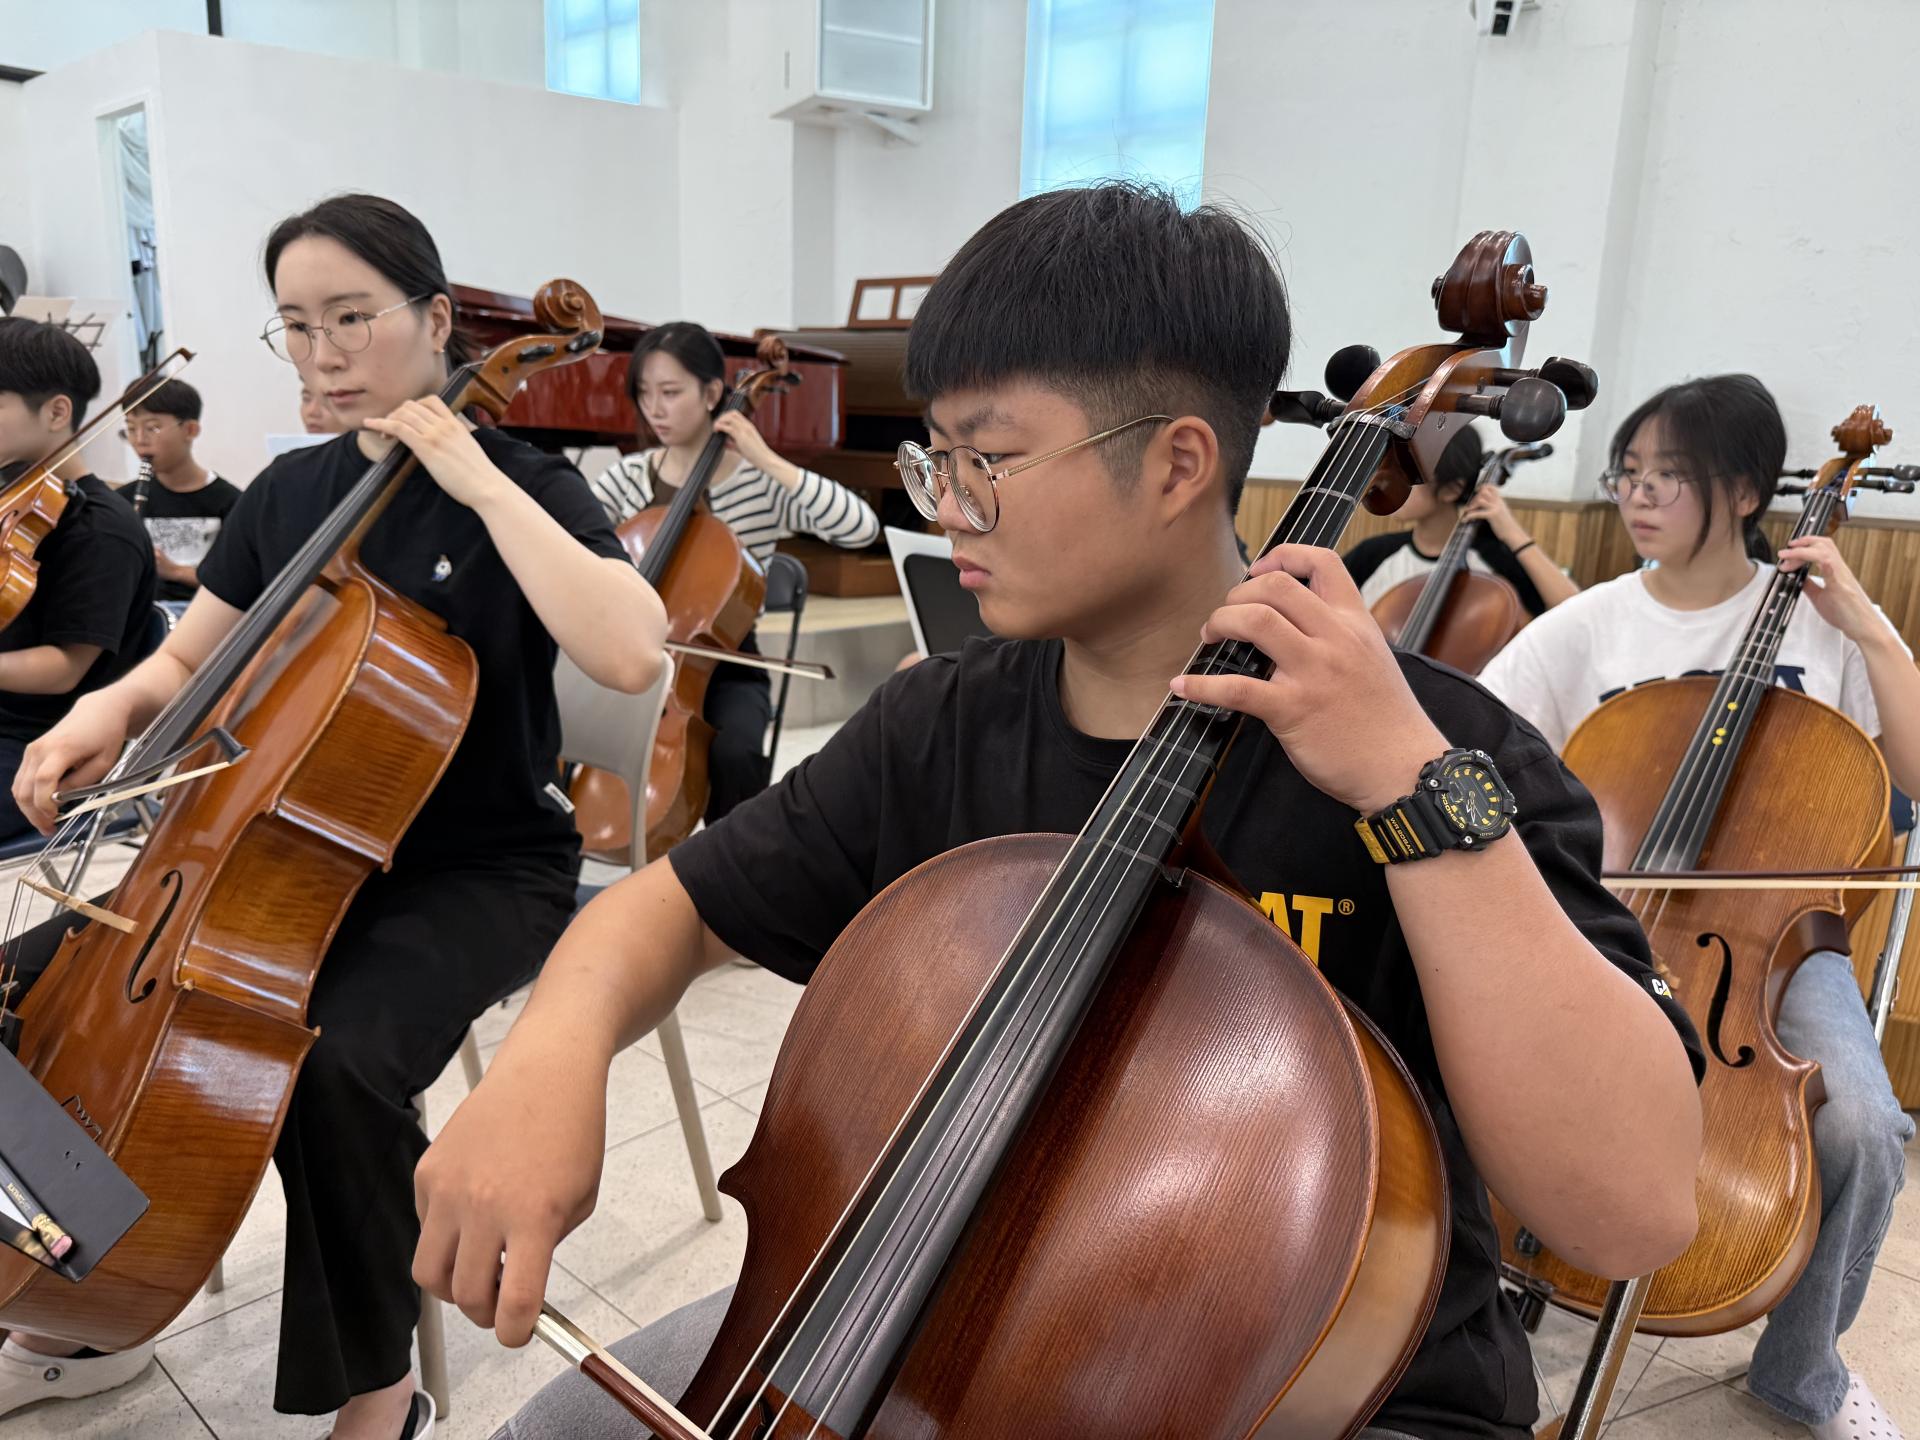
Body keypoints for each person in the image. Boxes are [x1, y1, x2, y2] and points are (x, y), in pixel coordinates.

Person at [413, 183, 1705, 1440]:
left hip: (1331, 1392)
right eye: (937, 457)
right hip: (933, 1301)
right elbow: (669, 908)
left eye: (988, 459)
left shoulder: (1448, 757)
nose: (947, 507)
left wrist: (1413, 795)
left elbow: (1632, 1211)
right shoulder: (945, 723)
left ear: (1178, 464)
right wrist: (548, 1059)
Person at [0, 194, 667, 1440]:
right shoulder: (290, 491)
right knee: (24, 1001)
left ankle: (382, 1390)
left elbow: (634, 652)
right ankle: (71, 1312)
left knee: (337, 1064)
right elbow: (185, 663)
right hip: (274, 855)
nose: (324, 353)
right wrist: (107, 711)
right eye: (298, 326)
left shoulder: (521, 484)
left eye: (353, 317)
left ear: (437, 318)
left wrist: (473, 474)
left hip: (477, 868)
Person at [1479, 373, 1917, 1440]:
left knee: (1865, 1127)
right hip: (1610, 911)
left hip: (1776, 942)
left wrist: (1869, 629)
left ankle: (1801, 1373)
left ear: (1746, 491)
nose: (1638, 496)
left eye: (1667, 477)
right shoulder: (1590, 626)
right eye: (1627, 473)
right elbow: (1469, 737)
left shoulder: (1824, 629)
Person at [590, 322, 879, 821]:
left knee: (737, 752)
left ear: (711, 394)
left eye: (670, 392)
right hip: (633, 652)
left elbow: (861, 527)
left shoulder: (757, 485)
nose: (654, 408)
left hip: (728, 660)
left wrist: (767, 459)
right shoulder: (627, 477)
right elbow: (573, 545)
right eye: (644, 392)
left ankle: (730, 861)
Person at [0, 317, 155, 842]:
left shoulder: (101, 531)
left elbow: (64, 668)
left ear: (56, 412)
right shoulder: (12, 504)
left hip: (40, 747)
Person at [1343, 423, 1578, 615]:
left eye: (1409, 476)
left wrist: (1512, 532)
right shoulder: (1371, 556)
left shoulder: (1492, 560)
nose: (1389, 484)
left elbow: (1572, 611)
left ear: (1451, 490)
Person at [121, 377, 241, 611]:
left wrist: (175, 571)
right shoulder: (123, 500)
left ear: (190, 430)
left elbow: (240, 580)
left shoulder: (231, 501)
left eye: (152, 428)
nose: (140, 440)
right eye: (131, 429)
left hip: (206, 617)